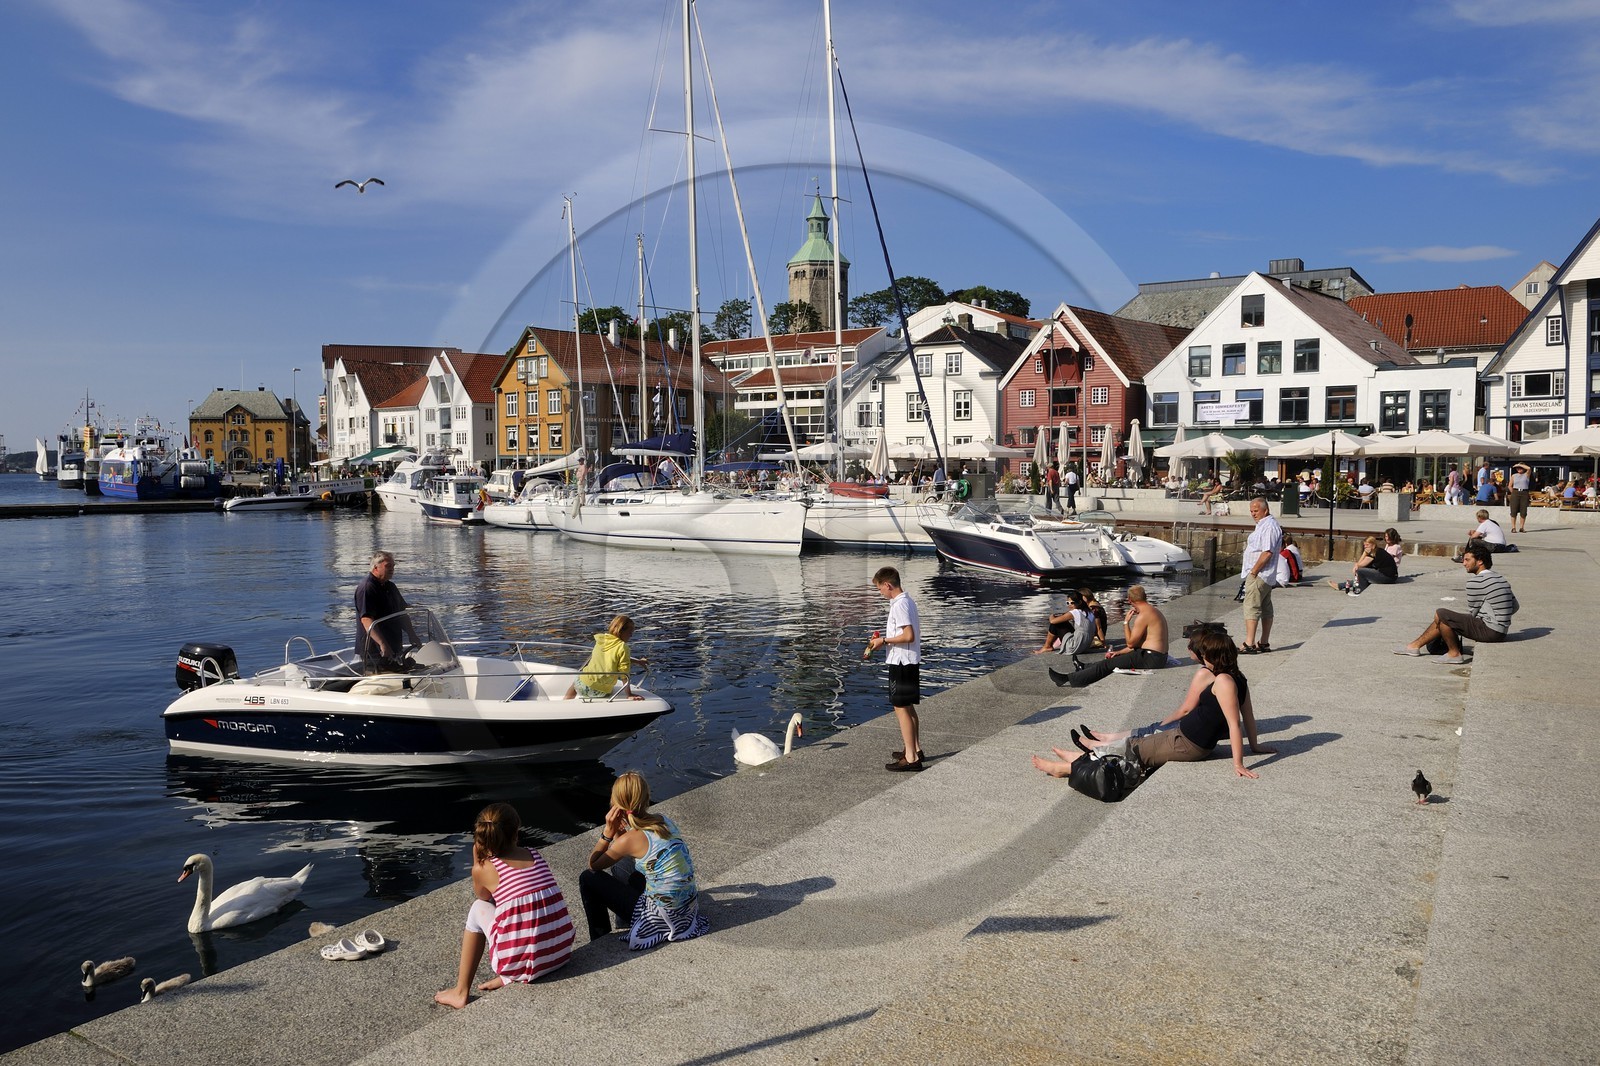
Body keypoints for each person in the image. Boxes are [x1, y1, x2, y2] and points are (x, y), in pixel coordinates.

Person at [1032, 629, 1274, 780]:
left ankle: (1066, 767)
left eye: (1205, 655)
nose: (1203, 658)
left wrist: (1238, 763)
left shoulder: (1223, 681)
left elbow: (1235, 724)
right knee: (1134, 744)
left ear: (1213, 657)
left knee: (1133, 752)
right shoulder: (1238, 677)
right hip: (1183, 737)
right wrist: (1255, 745)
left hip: (1187, 744)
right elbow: (1249, 716)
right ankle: (1082, 754)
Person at [433, 803, 573, 1009]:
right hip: (560, 954)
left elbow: (483, 895)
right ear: (516, 832)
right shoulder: (534, 854)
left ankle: (461, 991)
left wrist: (477, 861)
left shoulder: (485, 868)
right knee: (522, 909)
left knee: (477, 908)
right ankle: (513, 972)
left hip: (533, 964)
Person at [578, 772, 709, 950]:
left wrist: (607, 833)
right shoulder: (662, 820)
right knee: (623, 866)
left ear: (615, 802)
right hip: (687, 910)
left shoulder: (630, 840)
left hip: (660, 917)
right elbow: (624, 850)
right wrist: (618, 830)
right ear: (647, 797)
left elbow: (594, 864)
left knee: (588, 878)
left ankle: (600, 940)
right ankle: (625, 920)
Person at [1395, 545, 1518, 663]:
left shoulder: (1476, 582)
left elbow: (1473, 613)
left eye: (1467, 560)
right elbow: (1515, 606)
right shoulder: (1501, 578)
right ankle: (1414, 646)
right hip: (1502, 631)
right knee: (1445, 618)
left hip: (1491, 631)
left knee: (1442, 614)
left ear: (1480, 561)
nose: (1464, 563)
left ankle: (1454, 653)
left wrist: (1488, 618)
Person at [1048, 585, 1170, 688]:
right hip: (1156, 657)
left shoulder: (1143, 615)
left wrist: (1126, 623)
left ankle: (1068, 679)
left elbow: (1131, 644)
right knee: (1112, 659)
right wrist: (1119, 652)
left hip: (1150, 658)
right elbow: (1139, 643)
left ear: (1129, 600)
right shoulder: (1153, 611)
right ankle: (1084, 667)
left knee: (1107, 665)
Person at [864, 566, 924, 771]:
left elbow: (908, 636)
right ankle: (914, 748)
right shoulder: (908, 601)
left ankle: (911, 757)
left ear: (887, 585)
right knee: (908, 707)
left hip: (901, 662)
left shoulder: (899, 605)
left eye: (880, 588)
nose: (880, 592)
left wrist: (884, 641)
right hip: (910, 660)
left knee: (901, 709)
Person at [355, 550, 416, 670]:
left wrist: (412, 634)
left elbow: (402, 614)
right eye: (388, 566)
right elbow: (366, 619)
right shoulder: (367, 588)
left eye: (393, 566)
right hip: (376, 650)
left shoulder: (390, 586)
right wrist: (382, 644)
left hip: (394, 645)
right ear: (376, 567)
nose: (392, 569)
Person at [566, 614, 648, 701]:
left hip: (580, 685)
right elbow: (624, 674)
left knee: (579, 678)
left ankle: (565, 701)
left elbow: (612, 659)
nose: (631, 636)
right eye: (630, 633)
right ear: (621, 631)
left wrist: (638, 662)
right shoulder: (622, 647)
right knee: (608, 688)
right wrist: (629, 694)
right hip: (598, 691)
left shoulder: (602, 639)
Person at [1240, 498, 1282, 654]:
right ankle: (1263, 642)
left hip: (1261, 574)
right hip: (1263, 574)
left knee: (1251, 607)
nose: (1253, 514)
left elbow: (1267, 552)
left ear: (1266, 510)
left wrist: (1254, 571)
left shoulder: (1269, 526)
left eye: (1256, 511)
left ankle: (1249, 643)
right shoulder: (1262, 525)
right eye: (1251, 511)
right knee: (1265, 608)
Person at [1327, 534, 1396, 595]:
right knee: (1362, 577)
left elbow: (1359, 566)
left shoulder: (1375, 553)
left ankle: (1359, 590)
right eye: (1364, 545)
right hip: (1389, 576)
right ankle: (1340, 586)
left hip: (1387, 577)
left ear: (1373, 545)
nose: (1365, 547)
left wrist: (1364, 553)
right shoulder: (1375, 552)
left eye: (1367, 545)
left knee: (1360, 571)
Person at [1035, 589, 1093, 657]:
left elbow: (1052, 621)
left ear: (1080, 602)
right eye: (1068, 603)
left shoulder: (1075, 612)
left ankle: (1047, 646)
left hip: (1074, 647)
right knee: (1063, 622)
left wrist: (1051, 616)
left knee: (1056, 624)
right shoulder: (1089, 612)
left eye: (1072, 603)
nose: (1069, 605)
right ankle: (1048, 646)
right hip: (1085, 646)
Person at [1507, 462, 1532, 533]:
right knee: (1513, 510)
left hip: (1524, 492)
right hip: (1515, 492)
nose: (1519, 469)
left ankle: (1521, 527)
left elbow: (1529, 468)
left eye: (1520, 468)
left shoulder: (1526, 474)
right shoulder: (1514, 475)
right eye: (1518, 468)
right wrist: (1513, 492)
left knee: (1523, 511)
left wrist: (1519, 465)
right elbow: (1510, 485)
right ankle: (1513, 527)